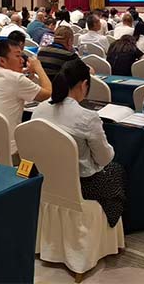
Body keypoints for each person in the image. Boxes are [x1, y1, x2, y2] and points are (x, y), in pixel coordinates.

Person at [31, 59, 125, 227]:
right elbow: (104, 159)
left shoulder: (39, 109)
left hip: (44, 179)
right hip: (81, 185)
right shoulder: (88, 118)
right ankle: (109, 227)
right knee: (116, 170)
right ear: (84, 85)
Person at [0, 40, 52, 154]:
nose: (22, 60)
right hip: (10, 149)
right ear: (2, 61)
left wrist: (27, 75)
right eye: (17, 56)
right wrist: (38, 68)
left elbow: (12, 86)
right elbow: (48, 93)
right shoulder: (16, 79)